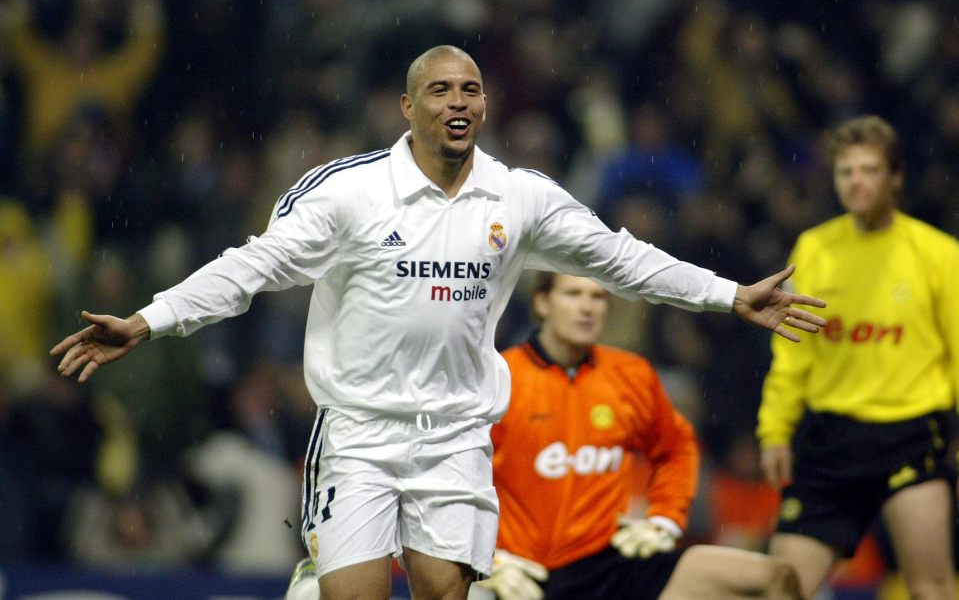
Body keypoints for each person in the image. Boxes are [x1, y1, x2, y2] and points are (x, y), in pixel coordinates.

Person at [52, 45, 826, 600]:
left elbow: (619, 258)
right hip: (358, 428)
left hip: (454, 436)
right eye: (441, 91)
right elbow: (251, 267)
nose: (459, 102)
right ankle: (320, 572)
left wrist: (729, 295)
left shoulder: (516, 196)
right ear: (408, 106)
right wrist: (149, 321)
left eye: (472, 89)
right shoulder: (348, 193)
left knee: (441, 594)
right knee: (354, 596)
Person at [466, 272, 801, 600]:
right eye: (573, 294)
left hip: (614, 562)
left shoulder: (630, 374)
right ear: (541, 303)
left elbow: (676, 447)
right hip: (526, 576)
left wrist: (665, 519)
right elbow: (454, 477)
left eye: (597, 297)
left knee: (774, 579)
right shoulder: (499, 380)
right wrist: (483, 559)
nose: (588, 307)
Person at [757, 115, 959, 600]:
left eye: (869, 170)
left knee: (931, 587)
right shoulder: (815, 248)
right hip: (831, 440)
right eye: (846, 172)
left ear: (895, 178)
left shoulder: (937, 253)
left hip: (912, 433)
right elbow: (791, 351)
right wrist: (774, 430)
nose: (857, 181)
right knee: (779, 589)